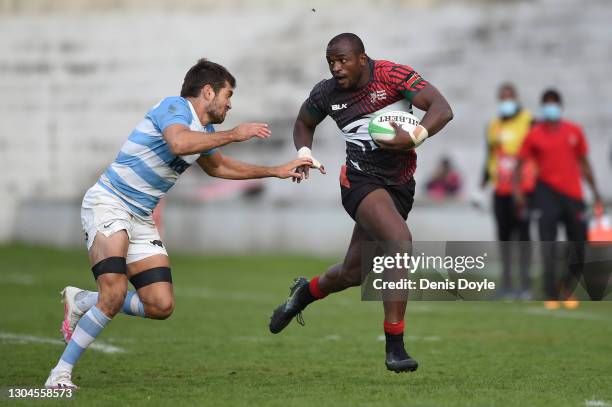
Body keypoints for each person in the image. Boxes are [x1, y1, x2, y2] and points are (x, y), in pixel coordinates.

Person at [44, 58, 312, 389]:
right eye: (228, 95)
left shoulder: (205, 132)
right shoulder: (174, 107)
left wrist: (276, 170)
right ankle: (60, 374)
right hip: (109, 203)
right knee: (113, 294)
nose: (230, 103)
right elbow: (178, 143)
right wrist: (235, 134)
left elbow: (218, 168)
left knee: (160, 304)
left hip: (140, 217)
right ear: (208, 91)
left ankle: (84, 301)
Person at [268, 33, 453, 373]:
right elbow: (303, 122)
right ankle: (395, 347)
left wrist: (414, 136)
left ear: (362, 59)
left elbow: (442, 108)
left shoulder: (392, 76)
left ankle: (302, 295)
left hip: (400, 185)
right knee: (399, 241)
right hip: (359, 181)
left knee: (353, 272)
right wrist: (304, 153)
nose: (336, 68)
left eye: (343, 60)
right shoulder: (326, 93)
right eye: (331, 62)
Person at [514, 88, 602, 309]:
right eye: (547, 103)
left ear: (560, 107)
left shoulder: (574, 131)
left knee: (580, 245)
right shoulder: (534, 135)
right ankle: (551, 293)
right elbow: (519, 164)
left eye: (554, 103)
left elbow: (584, 162)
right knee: (548, 244)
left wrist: (596, 191)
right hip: (546, 194)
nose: (550, 107)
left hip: (573, 195)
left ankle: (566, 287)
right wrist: (518, 192)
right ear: (543, 107)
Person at [481, 83, 535, 299]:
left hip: (523, 189)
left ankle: (525, 285)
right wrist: (480, 186)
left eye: (509, 97)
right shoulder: (493, 125)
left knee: (523, 237)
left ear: (516, 98)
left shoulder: (529, 121)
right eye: (502, 98)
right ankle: (506, 284)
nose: (506, 102)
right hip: (500, 190)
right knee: (504, 239)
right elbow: (489, 157)